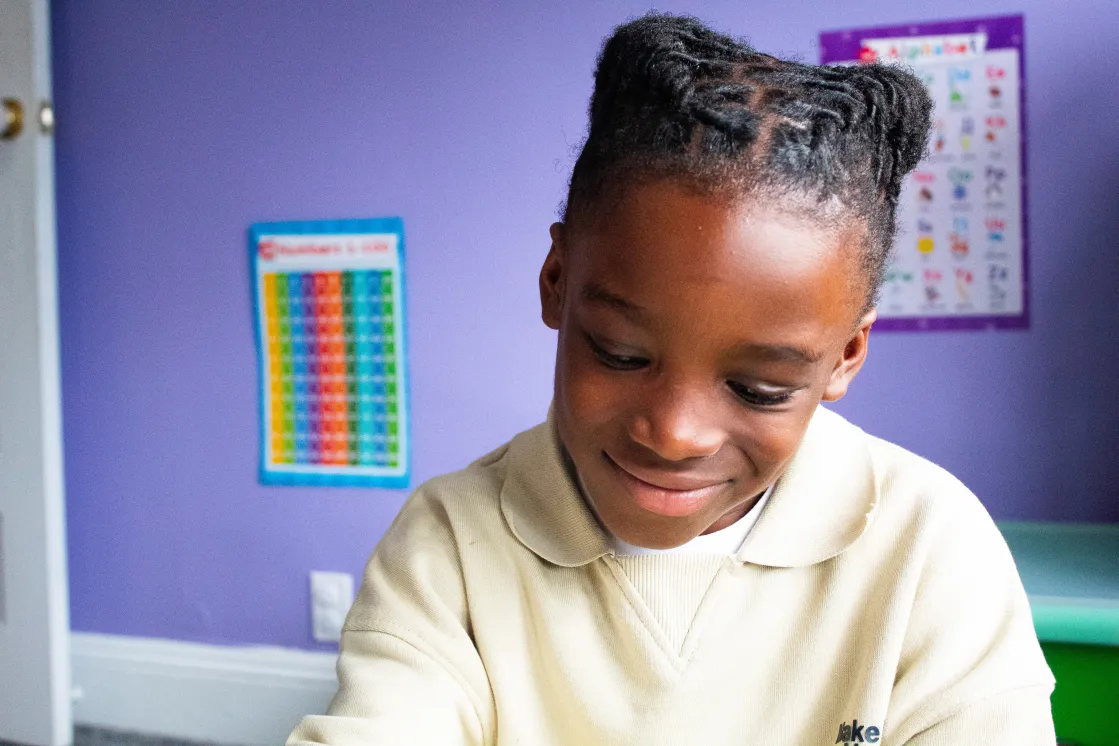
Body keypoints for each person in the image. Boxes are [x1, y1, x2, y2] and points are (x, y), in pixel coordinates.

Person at [288, 13, 1055, 745]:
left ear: (846, 355)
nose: (674, 433)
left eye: (758, 390)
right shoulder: (451, 543)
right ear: (556, 281)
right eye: (621, 354)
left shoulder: (928, 545)